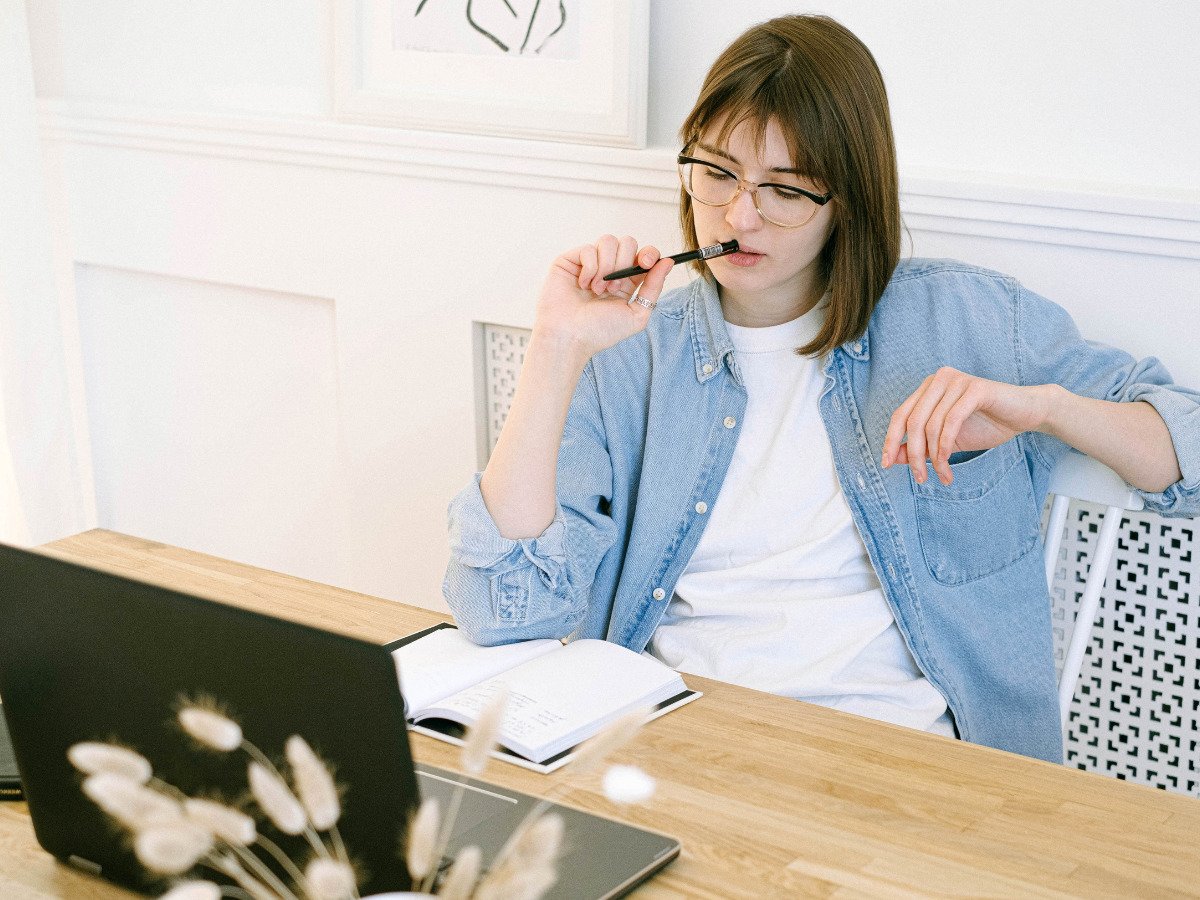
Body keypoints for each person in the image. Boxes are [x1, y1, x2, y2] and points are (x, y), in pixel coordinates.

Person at [442, 14, 1199, 763]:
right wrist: (555, 347)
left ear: (849, 198)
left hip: (905, 760)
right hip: (678, 747)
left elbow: (1187, 449)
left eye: (787, 189)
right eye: (716, 173)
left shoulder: (969, 319)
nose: (741, 215)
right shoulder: (632, 353)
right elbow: (502, 610)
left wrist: (1047, 410)